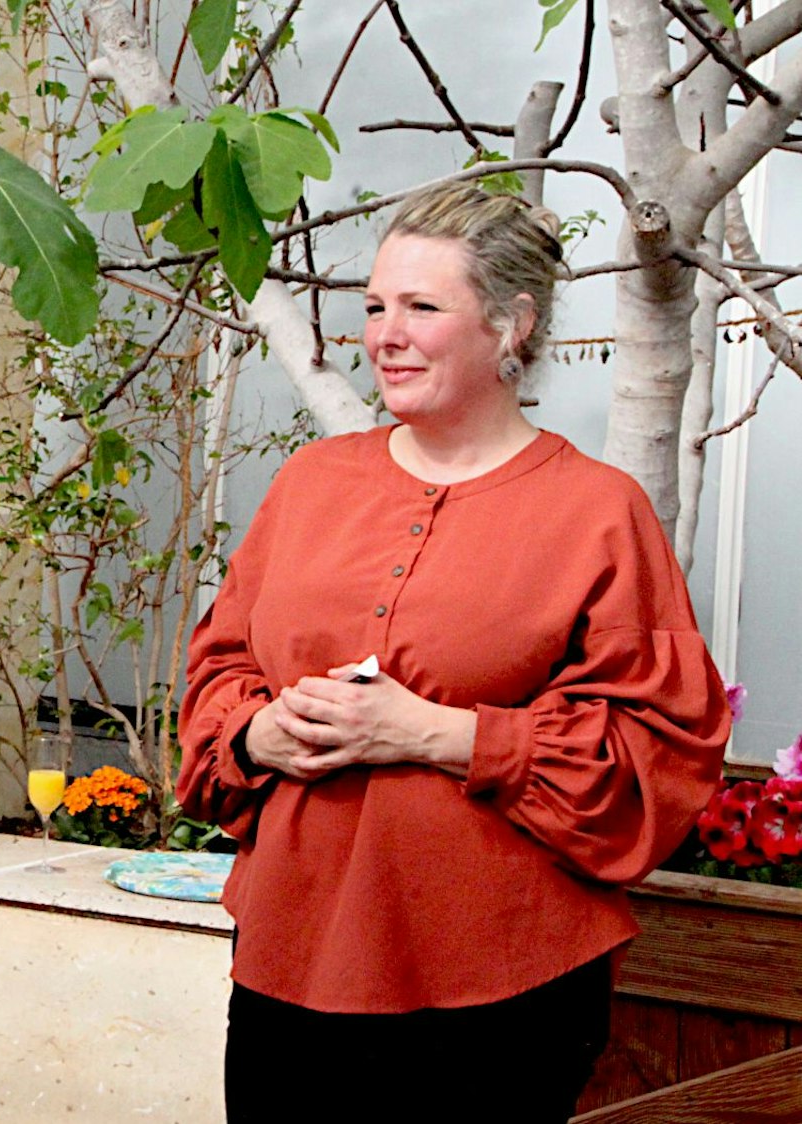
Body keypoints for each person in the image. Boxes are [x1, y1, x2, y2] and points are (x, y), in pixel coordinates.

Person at [175, 181, 730, 1123]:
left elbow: (658, 752)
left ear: (511, 325)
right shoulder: (312, 482)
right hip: (287, 956)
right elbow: (219, 668)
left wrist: (440, 734)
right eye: (375, 307)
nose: (385, 335)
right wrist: (254, 735)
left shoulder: (597, 512)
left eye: (422, 308)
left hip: (498, 984)